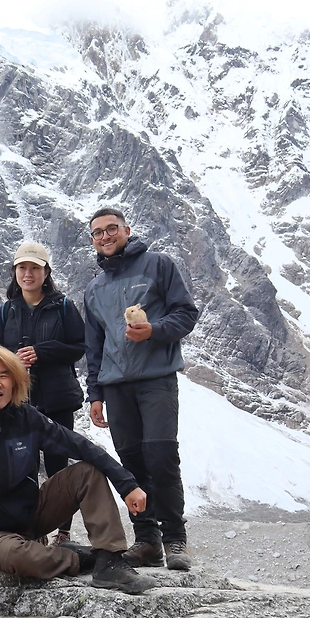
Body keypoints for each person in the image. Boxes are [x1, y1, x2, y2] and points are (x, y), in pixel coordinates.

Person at [0, 345, 156, 595]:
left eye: (3, 375)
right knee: (20, 557)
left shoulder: (26, 417)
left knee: (87, 472)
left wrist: (127, 484)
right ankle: (83, 558)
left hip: (33, 513)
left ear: (14, 380)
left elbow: (80, 446)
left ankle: (110, 561)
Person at [83, 207, 200, 571]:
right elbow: (94, 346)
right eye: (98, 232)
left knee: (161, 456)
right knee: (132, 463)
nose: (105, 236)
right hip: (116, 386)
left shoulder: (158, 265)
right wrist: (95, 393)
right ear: (93, 240)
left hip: (155, 379)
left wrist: (154, 331)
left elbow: (186, 312)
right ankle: (147, 540)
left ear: (127, 230)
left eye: (111, 229)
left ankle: (175, 538)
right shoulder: (94, 288)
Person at [0, 241, 87, 544]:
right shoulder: (6, 311)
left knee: (58, 466)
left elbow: (79, 347)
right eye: (22, 268)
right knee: (22, 466)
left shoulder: (63, 306)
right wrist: (12, 359)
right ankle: (31, 528)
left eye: (34, 268)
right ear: (15, 272)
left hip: (57, 399)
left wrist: (42, 352)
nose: (28, 274)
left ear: (46, 273)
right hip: (19, 402)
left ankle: (63, 531)